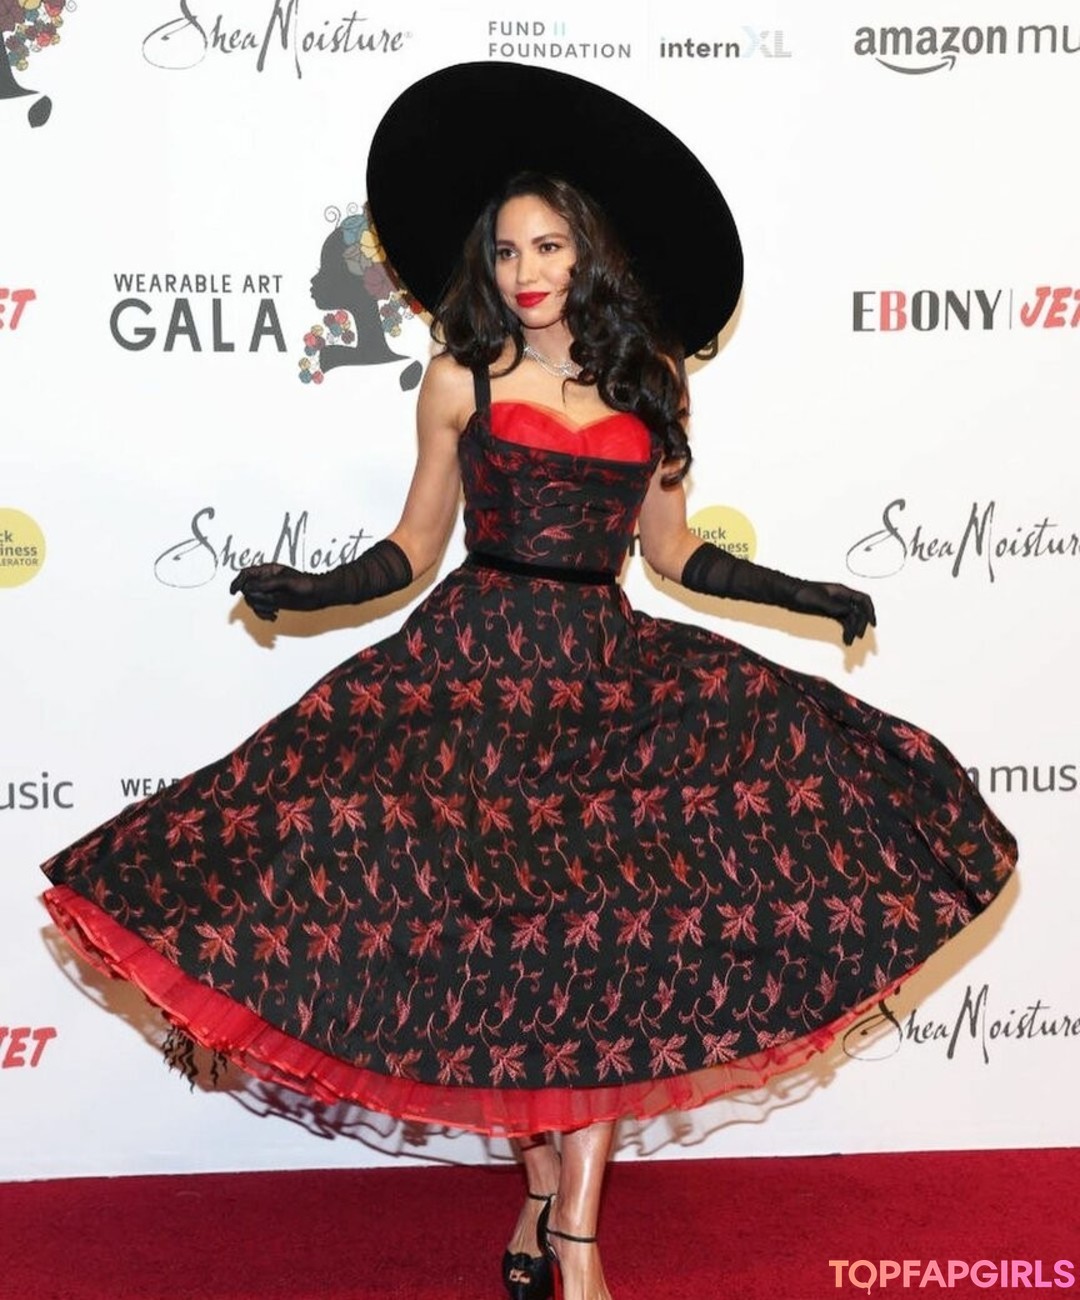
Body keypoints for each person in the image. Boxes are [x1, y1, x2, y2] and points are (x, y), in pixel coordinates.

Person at [40, 64, 1017, 1300]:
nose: (525, 271)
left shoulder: (652, 380)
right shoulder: (462, 377)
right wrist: (314, 589)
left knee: (602, 966)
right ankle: (547, 1201)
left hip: (608, 687)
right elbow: (413, 547)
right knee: (503, 965)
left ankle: (573, 1241)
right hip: (477, 681)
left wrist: (804, 594)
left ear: (588, 251)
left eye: (548, 245)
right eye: (505, 251)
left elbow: (673, 553)